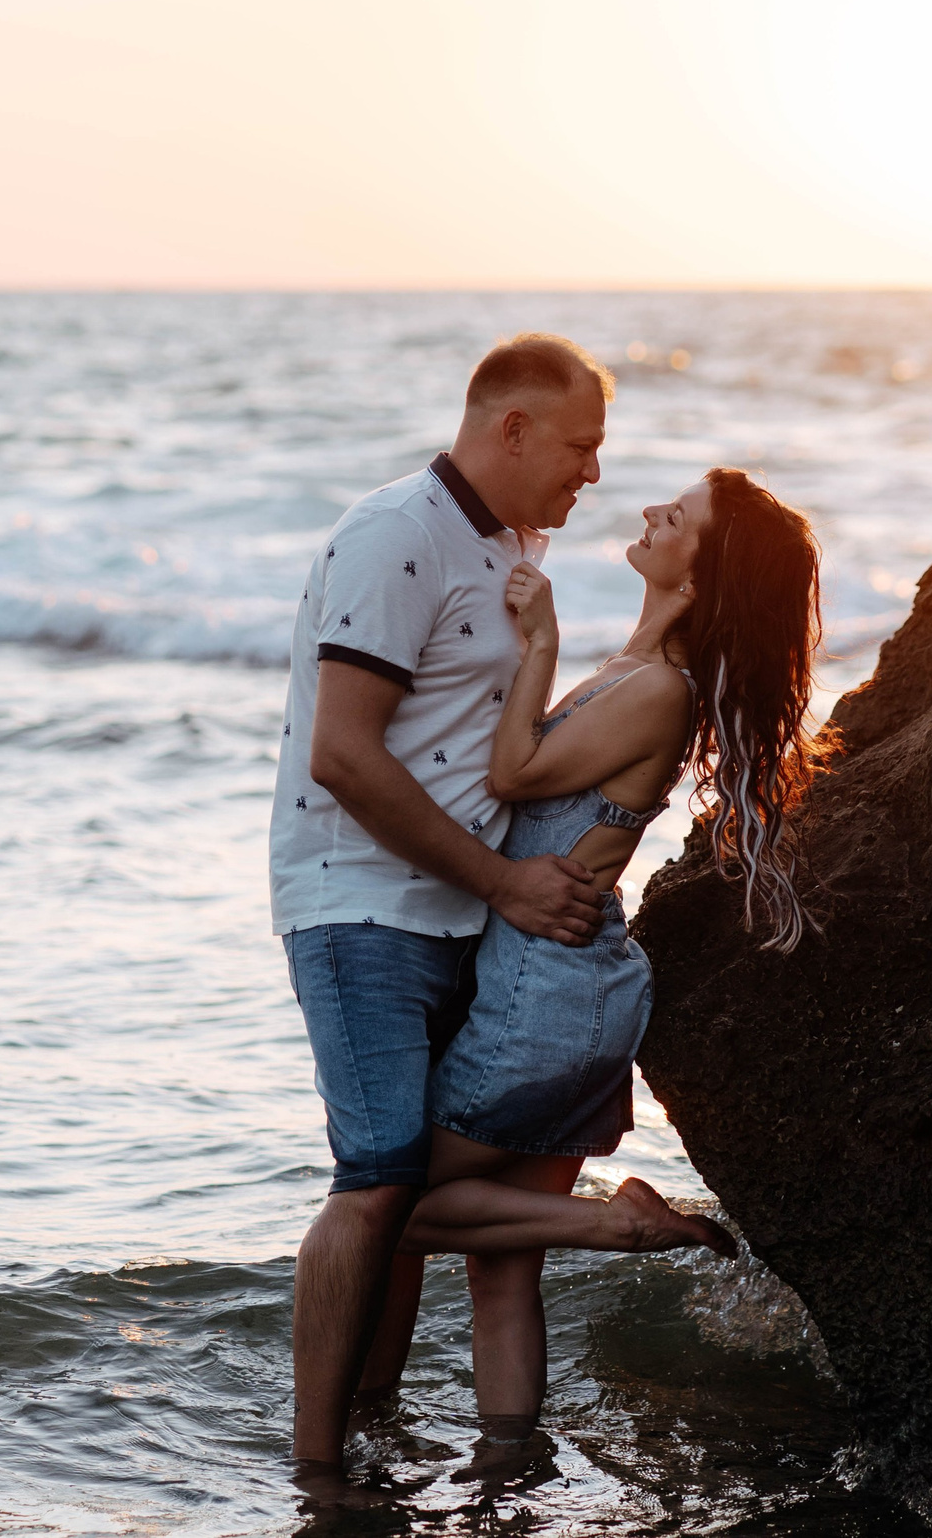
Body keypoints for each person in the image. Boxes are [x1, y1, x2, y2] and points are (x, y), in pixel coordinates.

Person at [379, 465, 831, 1431]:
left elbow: (511, 771)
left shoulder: (659, 689)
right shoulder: (638, 671)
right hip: (561, 988)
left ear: (702, 578)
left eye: (680, 517)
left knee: (393, 1211)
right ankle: (510, 1478)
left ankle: (620, 1223)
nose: (652, 513)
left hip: (545, 1001)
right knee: (502, 1274)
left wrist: (539, 638)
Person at [269, 333, 614, 1482]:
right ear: (510, 429)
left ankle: (369, 1433)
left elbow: (495, 751)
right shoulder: (395, 535)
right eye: (580, 447)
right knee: (374, 1180)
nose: (592, 476)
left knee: (412, 1178)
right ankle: (316, 1473)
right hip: (360, 902)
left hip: (462, 913)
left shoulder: (506, 546)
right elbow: (345, 758)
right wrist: (510, 882)